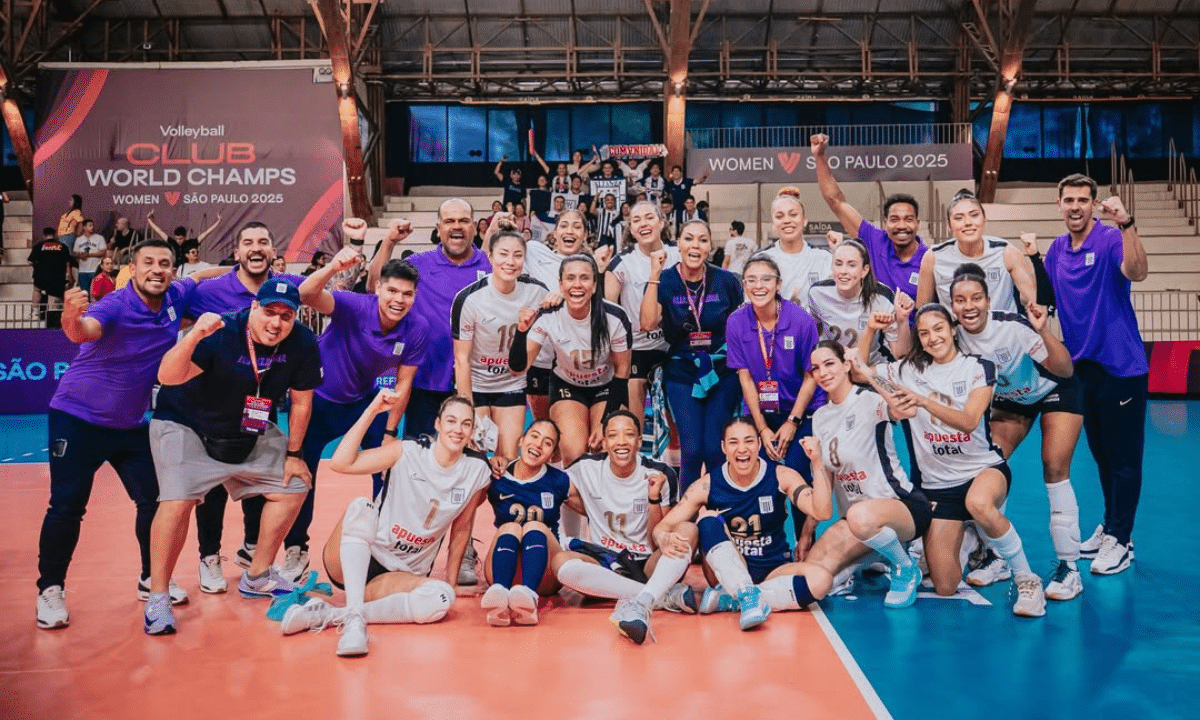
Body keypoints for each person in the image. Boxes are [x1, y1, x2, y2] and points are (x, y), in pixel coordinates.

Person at [35, 239, 197, 630]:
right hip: (78, 418)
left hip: (130, 426)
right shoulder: (115, 304)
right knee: (67, 506)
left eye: (164, 263)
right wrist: (70, 317)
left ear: (173, 270)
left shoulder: (176, 295)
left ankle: (149, 578)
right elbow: (83, 332)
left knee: (155, 502)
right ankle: (50, 590)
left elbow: (207, 276)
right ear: (132, 268)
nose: (157, 269)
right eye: (148, 263)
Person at [144, 279, 321, 635]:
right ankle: (158, 597)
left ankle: (257, 575)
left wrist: (295, 454)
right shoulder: (221, 331)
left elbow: (302, 401)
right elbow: (168, 376)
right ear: (254, 308)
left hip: (247, 427)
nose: (277, 322)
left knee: (296, 483)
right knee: (176, 502)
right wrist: (193, 336)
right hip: (187, 424)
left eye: (286, 316)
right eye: (269, 312)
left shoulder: (302, 341)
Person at [857, 304, 1046, 617]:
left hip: (982, 471)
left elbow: (970, 420)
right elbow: (858, 371)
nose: (933, 337)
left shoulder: (979, 367)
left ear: (953, 329)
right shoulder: (907, 370)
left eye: (939, 329)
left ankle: (1027, 580)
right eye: (924, 333)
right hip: (937, 487)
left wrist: (922, 400)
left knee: (980, 503)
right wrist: (870, 329)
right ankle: (969, 535)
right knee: (945, 585)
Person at [279, 393, 490, 657]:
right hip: (354, 553)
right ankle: (354, 624)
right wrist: (372, 410)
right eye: (451, 421)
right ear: (437, 424)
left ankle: (338, 614)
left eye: (465, 424)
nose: (458, 429)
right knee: (360, 506)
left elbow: (461, 529)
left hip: (397, 574)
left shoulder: (476, 470)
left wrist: (452, 581)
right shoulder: (407, 451)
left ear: (472, 430)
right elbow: (341, 463)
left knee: (442, 596)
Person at [292, 228, 429, 582]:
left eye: (408, 294)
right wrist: (332, 268)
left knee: (386, 467)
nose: (399, 299)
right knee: (301, 474)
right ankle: (296, 547)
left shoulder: (417, 327)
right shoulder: (354, 305)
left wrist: (387, 433)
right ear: (379, 288)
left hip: (364, 403)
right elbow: (306, 294)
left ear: (415, 296)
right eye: (393, 291)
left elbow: (404, 383)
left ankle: (382, 542)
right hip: (320, 399)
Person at [947, 265, 1083, 598]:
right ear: (952, 305)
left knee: (1054, 469)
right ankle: (997, 556)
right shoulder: (952, 335)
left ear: (988, 299)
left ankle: (1070, 568)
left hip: (1053, 389)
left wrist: (1044, 331)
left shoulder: (1012, 328)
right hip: (1011, 401)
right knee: (986, 464)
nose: (969, 306)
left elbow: (1064, 369)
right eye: (960, 300)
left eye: (976, 298)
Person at [184, 222, 307, 590]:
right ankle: (209, 557)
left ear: (273, 252)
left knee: (259, 478)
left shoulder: (287, 289)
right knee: (215, 485)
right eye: (248, 243)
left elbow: (325, 289)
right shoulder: (210, 290)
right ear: (237, 252)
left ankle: (253, 548)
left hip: (260, 401)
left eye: (264, 242)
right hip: (214, 407)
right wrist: (201, 273)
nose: (256, 248)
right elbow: (172, 305)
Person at [1045, 174, 1148, 575]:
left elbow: (1137, 272)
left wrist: (1127, 224)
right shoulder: (1056, 250)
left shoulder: (1107, 239)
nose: (1075, 206)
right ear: (1059, 204)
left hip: (1120, 366)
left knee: (1124, 458)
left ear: (1092, 205)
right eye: (1068, 199)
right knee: (1102, 455)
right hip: (1080, 368)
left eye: (1083, 200)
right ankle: (1112, 526)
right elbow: (1046, 298)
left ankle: (1122, 540)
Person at [653, 416, 834, 631]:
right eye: (733, 442)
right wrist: (664, 537)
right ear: (723, 448)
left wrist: (817, 461)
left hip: (774, 569)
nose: (742, 449)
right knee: (707, 520)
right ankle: (743, 593)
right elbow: (662, 527)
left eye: (748, 441)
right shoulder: (707, 485)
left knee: (822, 579)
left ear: (758, 444)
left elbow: (822, 511)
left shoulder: (781, 475)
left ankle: (735, 601)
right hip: (729, 569)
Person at [553, 410, 695, 645]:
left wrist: (653, 498)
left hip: (649, 562)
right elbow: (550, 486)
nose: (621, 441)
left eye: (629, 435)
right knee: (561, 562)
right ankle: (657, 596)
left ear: (639, 441)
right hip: (607, 565)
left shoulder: (660, 473)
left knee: (688, 531)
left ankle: (646, 595)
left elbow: (657, 539)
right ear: (605, 442)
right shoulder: (585, 468)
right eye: (613, 435)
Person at [640, 220, 744, 492]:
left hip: (722, 371)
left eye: (702, 240)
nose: (695, 246)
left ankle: (719, 510)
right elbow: (648, 323)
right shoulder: (664, 280)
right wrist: (654, 273)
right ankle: (687, 517)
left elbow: (741, 325)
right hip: (682, 371)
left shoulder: (727, 281)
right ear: (678, 244)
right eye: (689, 239)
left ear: (711, 246)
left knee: (713, 448)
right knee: (692, 449)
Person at [379, 200, 490, 440]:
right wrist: (390, 241)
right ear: (438, 228)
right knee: (420, 458)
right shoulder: (419, 264)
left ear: (474, 226)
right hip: (426, 381)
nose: (457, 226)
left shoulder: (491, 265)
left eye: (463, 221)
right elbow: (374, 286)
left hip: (478, 383)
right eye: (449, 221)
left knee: (470, 459)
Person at [509, 254, 632, 467]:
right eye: (570, 278)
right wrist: (521, 333)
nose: (577, 285)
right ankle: (571, 498)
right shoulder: (548, 315)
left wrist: (604, 423)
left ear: (594, 285)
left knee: (603, 447)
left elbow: (622, 373)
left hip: (607, 386)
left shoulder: (615, 317)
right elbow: (518, 369)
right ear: (560, 284)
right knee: (574, 454)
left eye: (584, 278)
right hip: (567, 385)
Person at [725, 254, 822, 490]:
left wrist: (792, 421)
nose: (759, 286)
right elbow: (745, 379)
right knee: (760, 473)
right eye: (751, 280)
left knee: (798, 471)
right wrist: (762, 429)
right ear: (744, 286)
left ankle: (803, 529)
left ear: (779, 284)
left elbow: (811, 377)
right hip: (762, 411)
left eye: (766, 279)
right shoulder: (736, 321)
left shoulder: (801, 321)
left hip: (802, 409)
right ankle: (769, 526)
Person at [452, 231, 549, 463]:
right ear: (490, 257)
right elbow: (461, 360)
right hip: (476, 384)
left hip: (511, 383)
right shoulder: (469, 298)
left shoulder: (537, 292)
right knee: (475, 457)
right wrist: (467, 410)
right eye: (503, 254)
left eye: (517, 255)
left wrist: (556, 300)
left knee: (507, 458)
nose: (510, 262)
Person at [811, 134, 927, 298]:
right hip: (872, 323)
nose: (901, 226)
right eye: (894, 219)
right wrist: (819, 156)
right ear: (885, 223)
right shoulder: (874, 241)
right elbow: (835, 201)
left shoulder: (929, 259)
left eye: (908, 219)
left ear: (918, 224)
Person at [479, 420, 571, 626]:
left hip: (545, 574)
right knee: (509, 527)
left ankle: (529, 597)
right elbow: (466, 509)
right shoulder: (497, 475)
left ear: (553, 454)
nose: (538, 444)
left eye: (547, 443)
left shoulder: (559, 480)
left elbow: (592, 509)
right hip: (502, 567)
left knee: (534, 526)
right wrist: (485, 464)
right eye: (534, 436)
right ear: (521, 440)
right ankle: (500, 599)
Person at [605, 201, 680, 427]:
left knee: (675, 423)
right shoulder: (621, 262)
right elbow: (608, 310)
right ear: (630, 228)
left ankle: (674, 462)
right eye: (636, 220)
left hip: (671, 347)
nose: (643, 224)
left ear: (661, 222)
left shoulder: (679, 253)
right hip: (635, 349)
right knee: (632, 423)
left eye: (649, 217)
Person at [522, 209, 591, 422]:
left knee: (574, 438)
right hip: (540, 360)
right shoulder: (534, 251)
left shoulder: (592, 266)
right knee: (544, 431)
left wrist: (565, 296)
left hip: (575, 364)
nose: (569, 231)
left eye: (577, 226)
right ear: (554, 231)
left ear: (585, 234)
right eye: (564, 225)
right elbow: (497, 253)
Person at [917, 190, 1036, 314]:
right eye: (959, 218)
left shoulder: (1007, 252)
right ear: (949, 225)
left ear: (984, 219)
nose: (968, 222)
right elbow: (923, 311)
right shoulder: (934, 257)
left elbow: (1034, 302)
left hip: (1002, 330)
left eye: (974, 215)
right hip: (956, 331)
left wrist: (1035, 257)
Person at [806, 239, 913, 366]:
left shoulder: (882, 297)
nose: (843, 271)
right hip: (834, 370)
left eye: (851, 265)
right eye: (838, 264)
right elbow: (811, 336)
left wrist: (902, 320)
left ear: (864, 270)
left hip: (870, 367)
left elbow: (900, 354)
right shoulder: (817, 293)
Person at [762, 194, 831, 307]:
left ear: (804, 220)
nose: (787, 221)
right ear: (773, 225)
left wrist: (839, 251)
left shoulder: (824, 258)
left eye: (793, 215)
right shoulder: (762, 259)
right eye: (779, 216)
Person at [29, 226, 77, 320]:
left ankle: (35, 313)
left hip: (41, 275)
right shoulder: (62, 246)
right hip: (57, 276)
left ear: (44, 235)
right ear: (54, 235)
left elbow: (30, 262)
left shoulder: (39, 246)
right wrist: (70, 277)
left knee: (37, 290)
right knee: (55, 295)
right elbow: (68, 264)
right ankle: (55, 315)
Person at [147, 210, 221, 267]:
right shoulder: (172, 242)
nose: (178, 241)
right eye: (177, 238)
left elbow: (206, 233)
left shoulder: (191, 243)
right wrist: (149, 220)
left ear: (185, 237)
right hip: (174, 269)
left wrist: (218, 221)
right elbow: (159, 231)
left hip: (187, 269)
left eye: (180, 238)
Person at [72, 220, 107, 297]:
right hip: (83, 270)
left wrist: (89, 254)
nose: (92, 227)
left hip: (95, 269)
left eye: (92, 225)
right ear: (84, 227)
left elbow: (103, 252)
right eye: (90, 225)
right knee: (84, 293)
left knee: (96, 293)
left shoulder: (99, 238)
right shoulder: (79, 239)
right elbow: (75, 253)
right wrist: (81, 256)